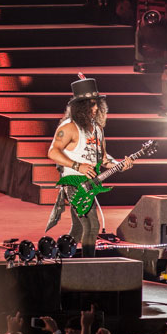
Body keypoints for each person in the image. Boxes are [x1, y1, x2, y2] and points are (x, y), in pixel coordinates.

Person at [45, 76, 133, 258]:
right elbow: (53, 152)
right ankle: (88, 267)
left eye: (97, 105)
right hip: (74, 184)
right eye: (90, 105)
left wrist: (118, 165)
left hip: (90, 183)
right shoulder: (68, 127)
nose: (94, 109)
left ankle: (59, 258)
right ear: (80, 107)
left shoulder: (98, 128)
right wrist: (78, 166)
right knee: (92, 226)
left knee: (78, 228)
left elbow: (102, 158)